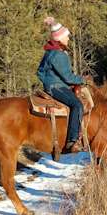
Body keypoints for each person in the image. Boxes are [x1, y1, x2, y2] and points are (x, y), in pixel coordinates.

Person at [37, 17, 88, 153]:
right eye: (67, 37)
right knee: (77, 105)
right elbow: (68, 77)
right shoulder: (58, 55)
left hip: (53, 85)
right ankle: (72, 141)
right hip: (56, 87)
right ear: (60, 38)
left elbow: (40, 72)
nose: (68, 39)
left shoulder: (50, 52)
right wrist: (83, 80)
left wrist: (47, 82)